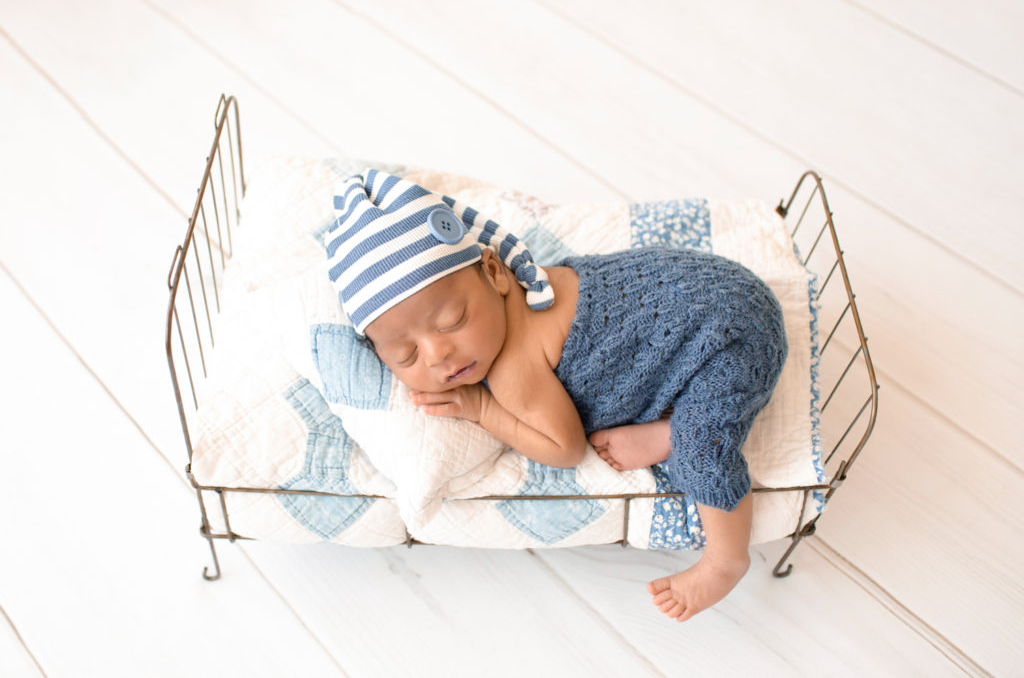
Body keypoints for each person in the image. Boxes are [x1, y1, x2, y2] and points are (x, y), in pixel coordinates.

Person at [326, 168, 787, 622]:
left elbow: (564, 449)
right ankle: (665, 431)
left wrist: (483, 408)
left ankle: (726, 561)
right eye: (406, 355)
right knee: (688, 405)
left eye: (452, 321)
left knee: (704, 445)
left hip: (731, 341)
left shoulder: (512, 369)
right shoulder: (532, 278)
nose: (440, 355)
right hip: (722, 285)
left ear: (494, 272)